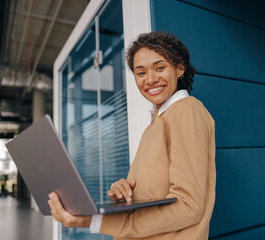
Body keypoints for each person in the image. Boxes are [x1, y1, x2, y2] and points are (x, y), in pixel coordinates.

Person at [48, 32, 216, 239]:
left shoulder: (186, 110)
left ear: (179, 68)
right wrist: (125, 193)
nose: (151, 79)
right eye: (141, 72)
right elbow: (154, 194)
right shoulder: (155, 124)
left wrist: (93, 220)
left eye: (160, 68)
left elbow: (188, 206)